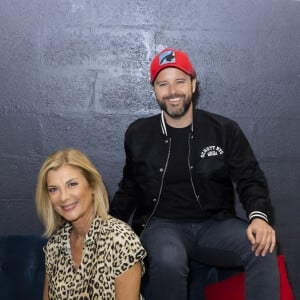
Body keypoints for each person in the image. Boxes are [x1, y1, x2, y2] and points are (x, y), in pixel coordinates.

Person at [110, 48, 280, 300]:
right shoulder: (138, 133)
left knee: (263, 247)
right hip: (161, 226)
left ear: (193, 83)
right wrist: (106, 228)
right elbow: (129, 189)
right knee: (169, 258)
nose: (172, 91)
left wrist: (259, 218)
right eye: (163, 84)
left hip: (214, 225)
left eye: (180, 81)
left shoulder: (224, 129)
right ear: (154, 89)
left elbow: (249, 178)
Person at [35, 148, 146, 300]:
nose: (63, 197)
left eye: (72, 184)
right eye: (53, 189)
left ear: (92, 187)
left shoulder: (120, 240)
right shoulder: (55, 245)